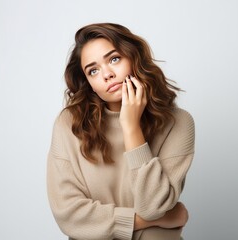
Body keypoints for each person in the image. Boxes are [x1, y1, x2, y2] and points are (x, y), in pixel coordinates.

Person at [46, 23, 195, 240]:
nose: (107, 74)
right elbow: (69, 215)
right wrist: (153, 220)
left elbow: (152, 205)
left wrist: (131, 127)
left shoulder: (178, 123)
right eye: (93, 70)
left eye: (114, 59)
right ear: (89, 83)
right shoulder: (69, 124)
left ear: (134, 58)